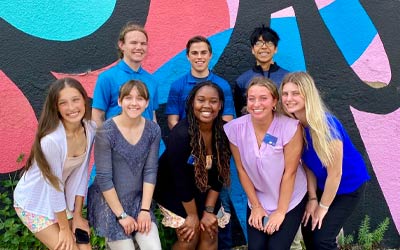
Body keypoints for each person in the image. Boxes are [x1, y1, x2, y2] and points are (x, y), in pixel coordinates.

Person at [280, 72, 370, 250]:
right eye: (285, 93)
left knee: (323, 238)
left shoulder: (326, 126)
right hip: (322, 185)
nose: (289, 98)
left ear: (308, 95)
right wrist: (312, 198)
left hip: (348, 186)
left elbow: (335, 174)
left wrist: (323, 207)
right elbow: (308, 166)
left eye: (295, 93)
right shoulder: (295, 126)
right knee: (308, 229)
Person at [224, 77, 307, 250]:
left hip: (289, 198)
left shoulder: (290, 127)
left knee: (277, 247)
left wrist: (281, 212)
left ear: (274, 101)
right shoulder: (235, 129)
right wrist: (255, 206)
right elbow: (241, 170)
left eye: (263, 98)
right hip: (259, 197)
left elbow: (290, 173)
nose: (256, 104)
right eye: (251, 98)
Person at [14, 78, 96, 250]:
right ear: (56, 108)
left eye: (75, 100)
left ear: (84, 99)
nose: (72, 108)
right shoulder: (51, 140)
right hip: (33, 203)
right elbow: (55, 185)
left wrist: (77, 215)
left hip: (61, 203)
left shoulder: (90, 129)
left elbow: (81, 175)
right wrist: (65, 228)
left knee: (85, 248)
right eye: (63, 103)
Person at [155, 81, 231, 250]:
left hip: (204, 189)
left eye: (213, 101)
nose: (207, 106)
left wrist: (209, 211)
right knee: (191, 235)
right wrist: (192, 216)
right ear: (192, 103)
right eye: (201, 100)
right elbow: (180, 180)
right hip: (173, 190)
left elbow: (219, 175)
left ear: (220, 106)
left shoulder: (224, 132)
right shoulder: (181, 134)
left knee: (209, 232)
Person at [87, 80, 162, 249]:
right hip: (109, 202)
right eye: (128, 98)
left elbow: (150, 171)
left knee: (153, 246)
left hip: (137, 201)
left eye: (140, 98)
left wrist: (144, 210)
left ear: (147, 103)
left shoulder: (153, 130)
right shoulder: (106, 131)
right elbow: (104, 178)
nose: (134, 103)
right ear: (119, 101)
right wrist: (121, 215)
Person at [92, 22, 158, 126]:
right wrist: (104, 140)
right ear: (121, 45)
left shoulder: (152, 80)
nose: (139, 47)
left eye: (143, 43)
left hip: (146, 141)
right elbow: (97, 115)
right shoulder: (106, 78)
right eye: (133, 43)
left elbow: (152, 115)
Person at [166, 35, 235, 130]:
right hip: (186, 141)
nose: (199, 57)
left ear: (210, 55)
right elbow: (172, 121)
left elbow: (227, 119)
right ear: (188, 56)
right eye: (194, 53)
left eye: (203, 53)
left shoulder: (223, 85)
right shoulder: (177, 86)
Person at [234, 25, 289, 117]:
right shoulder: (242, 80)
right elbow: (240, 114)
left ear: (275, 49)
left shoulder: (287, 77)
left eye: (269, 43)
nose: (264, 47)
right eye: (258, 43)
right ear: (252, 49)